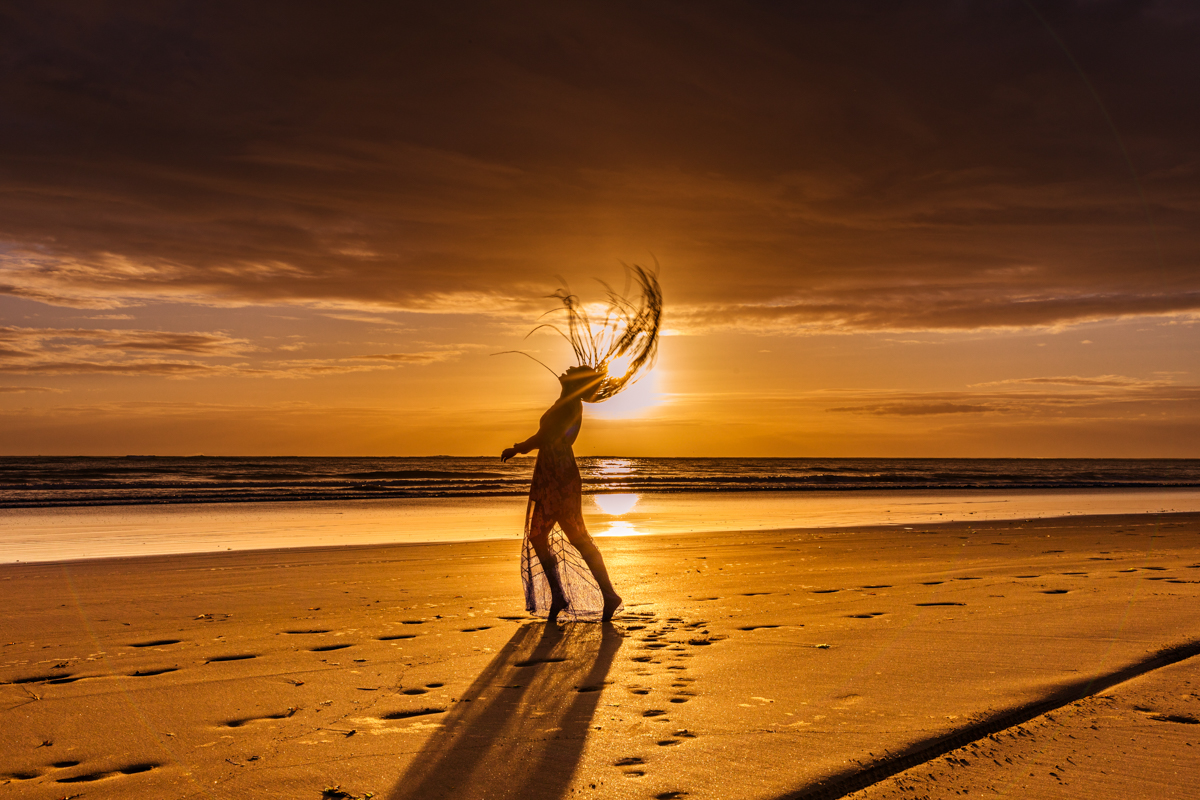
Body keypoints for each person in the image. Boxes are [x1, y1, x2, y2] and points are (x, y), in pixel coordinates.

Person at [500, 265, 662, 623]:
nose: (564, 371)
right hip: (556, 476)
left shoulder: (568, 405)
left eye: (571, 372)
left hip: (558, 478)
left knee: (558, 537)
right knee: (557, 538)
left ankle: (589, 595)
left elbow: (546, 437)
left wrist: (518, 447)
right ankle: (588, 595)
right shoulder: (566, 404)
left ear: (575, 383)